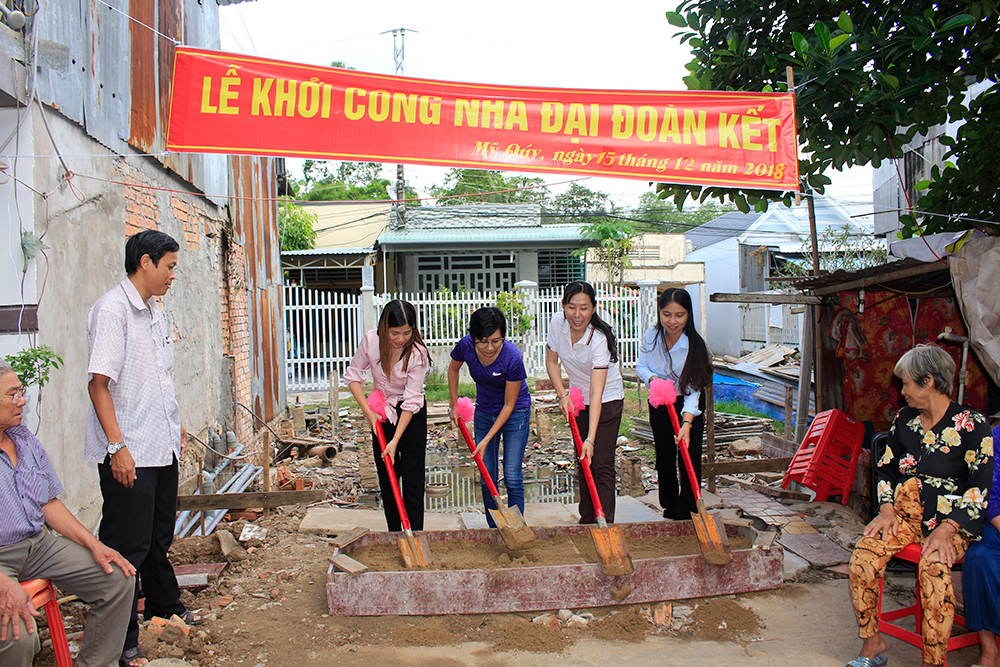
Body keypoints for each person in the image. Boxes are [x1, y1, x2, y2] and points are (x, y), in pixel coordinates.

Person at [85, 230, 201, 667]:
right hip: (129, 448)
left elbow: (157, 379)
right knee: (125, 545)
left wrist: (177, 425)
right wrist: (117, 447)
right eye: (169, 267)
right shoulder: (112, 310)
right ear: (146, 262)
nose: (173, 276)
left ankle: (163, 607)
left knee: (157, 537)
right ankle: (121, 639)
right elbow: (99, 385)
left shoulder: (153, 310)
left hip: (160, 443)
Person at [848, 344, 994, 667]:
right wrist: (886, 509)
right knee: (863, 556)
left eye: (907, 384)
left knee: (934, 571)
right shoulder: (906, 421)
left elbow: (979, 489)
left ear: (928, 382)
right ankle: (873, 642)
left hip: (950, 524)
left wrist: (947, 529)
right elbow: (885, 468)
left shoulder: (973, 426)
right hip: (905, 518)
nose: (902, 392)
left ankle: (934, 661)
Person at [0, 361, 135, 667]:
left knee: (118, 578)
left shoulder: (24, 439)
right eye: (13, 395)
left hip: (38, 545)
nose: (23, 400)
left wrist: (94, 544)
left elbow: (49, 503)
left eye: (21, 391)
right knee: (17, 633)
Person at [346, 300, 429, 531]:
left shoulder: (418, 353)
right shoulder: (372, 341)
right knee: (388, 475)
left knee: (412, 476)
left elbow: (412, 400)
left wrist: (394, 440)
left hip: (411, 416)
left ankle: (415, 533)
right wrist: (371, 415)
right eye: (394, 333)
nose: (400, 339)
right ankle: (394, 534)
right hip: (381, 412)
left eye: (406, 332)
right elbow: (353, 376)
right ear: (384, 327)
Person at [545, 281, 625, 523]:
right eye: (571, 307)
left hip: (606, 399)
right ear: (563, 307)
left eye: (584, 308)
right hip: (578, 399)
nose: (577, 315)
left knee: (601, 462)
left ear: (593, 309)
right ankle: (587, 519)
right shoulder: (557, 323)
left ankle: (605, 522)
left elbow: (596, 392)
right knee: (583, 460)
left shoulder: (598, 339)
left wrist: (590, 438)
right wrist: (563, 394)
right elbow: (551, 362)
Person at [448, 307, 532, 526]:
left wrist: (486, 439)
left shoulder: (512, 356)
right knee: (487, 476)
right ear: (473, 337)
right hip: (484, 411)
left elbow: (509, 404)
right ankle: (495, 531)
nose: (489, 348)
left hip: (515, 412)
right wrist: (453, 403)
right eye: (483, 341)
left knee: (512, 475)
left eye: (496, 341)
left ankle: (516, 529)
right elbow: (453, 369)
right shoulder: (465, 346)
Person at [636, 287, 713, 520]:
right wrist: (654, 380)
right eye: (667, 314)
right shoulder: (652, 335)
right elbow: (641, 366)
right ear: (660, 313)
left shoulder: (695, 346)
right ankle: (669, 505)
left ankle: (688, 508)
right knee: (665, 453)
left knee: (688, 453)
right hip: (659, 400)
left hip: (688, 402)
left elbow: (693, 391)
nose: (672, 321)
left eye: (679, 315)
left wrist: (687, 423)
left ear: (688, 315)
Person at [962, 422, 1000, 667]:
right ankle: (989, 650)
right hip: (997, 524)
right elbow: (991, 494)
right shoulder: (997, 436)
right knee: (979, 558)